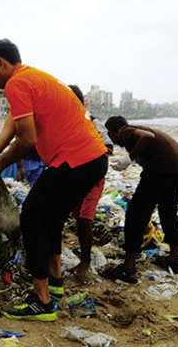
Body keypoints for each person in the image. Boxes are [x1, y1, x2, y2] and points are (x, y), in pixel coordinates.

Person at [0, 39, 108, 321]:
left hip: (76, 159)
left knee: (31, 216)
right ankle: (54, 283)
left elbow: (26, 140)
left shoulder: (18, 84)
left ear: (2, 63)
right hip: (93, 159)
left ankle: (41, 301)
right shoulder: (32, 78)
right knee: (52, 218)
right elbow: (6, 134)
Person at [100, 116, 178, 283]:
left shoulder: (125, 130)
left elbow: (148, 137)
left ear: (113, 132)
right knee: (168, 211)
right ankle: (174, 260)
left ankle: (128, 268)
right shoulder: (136, 132)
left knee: (136, 214)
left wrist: (129, 159)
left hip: (161, 167)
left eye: (110, 136)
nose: (113, 140)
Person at [67, 85, 114, 277]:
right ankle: (82, 257)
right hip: (76, 174)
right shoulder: (67, 122)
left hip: (93, 175)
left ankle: (85, 262)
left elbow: (108, 146)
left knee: (86, 219)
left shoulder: (92, 121)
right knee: (78, 217)